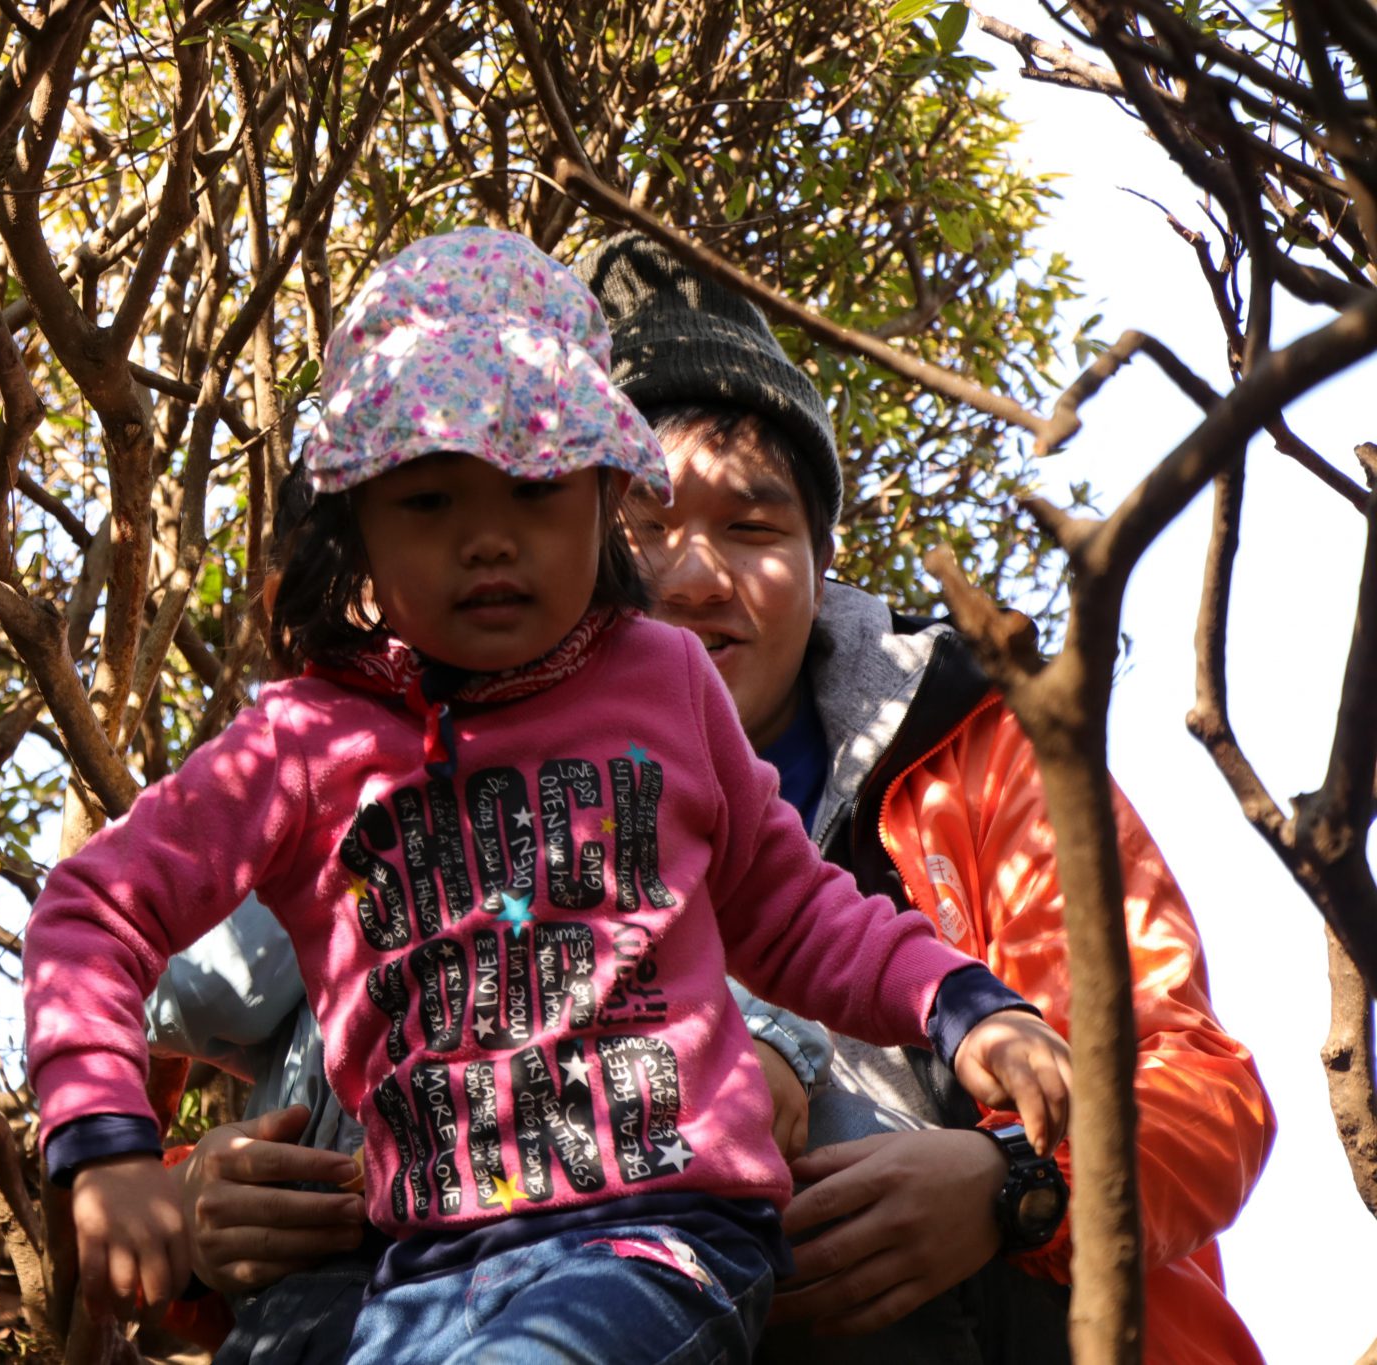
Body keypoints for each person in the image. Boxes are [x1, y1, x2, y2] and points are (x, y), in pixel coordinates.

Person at [158, 231, 1276, 1365]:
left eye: (754, 526)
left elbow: (1193, 1080)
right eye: (644, 527)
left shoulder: (975, 761)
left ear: (822, 560)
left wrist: (1012, 1185)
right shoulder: (384, 771)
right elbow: (134, 975)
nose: (694, 576)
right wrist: (184, 1209)